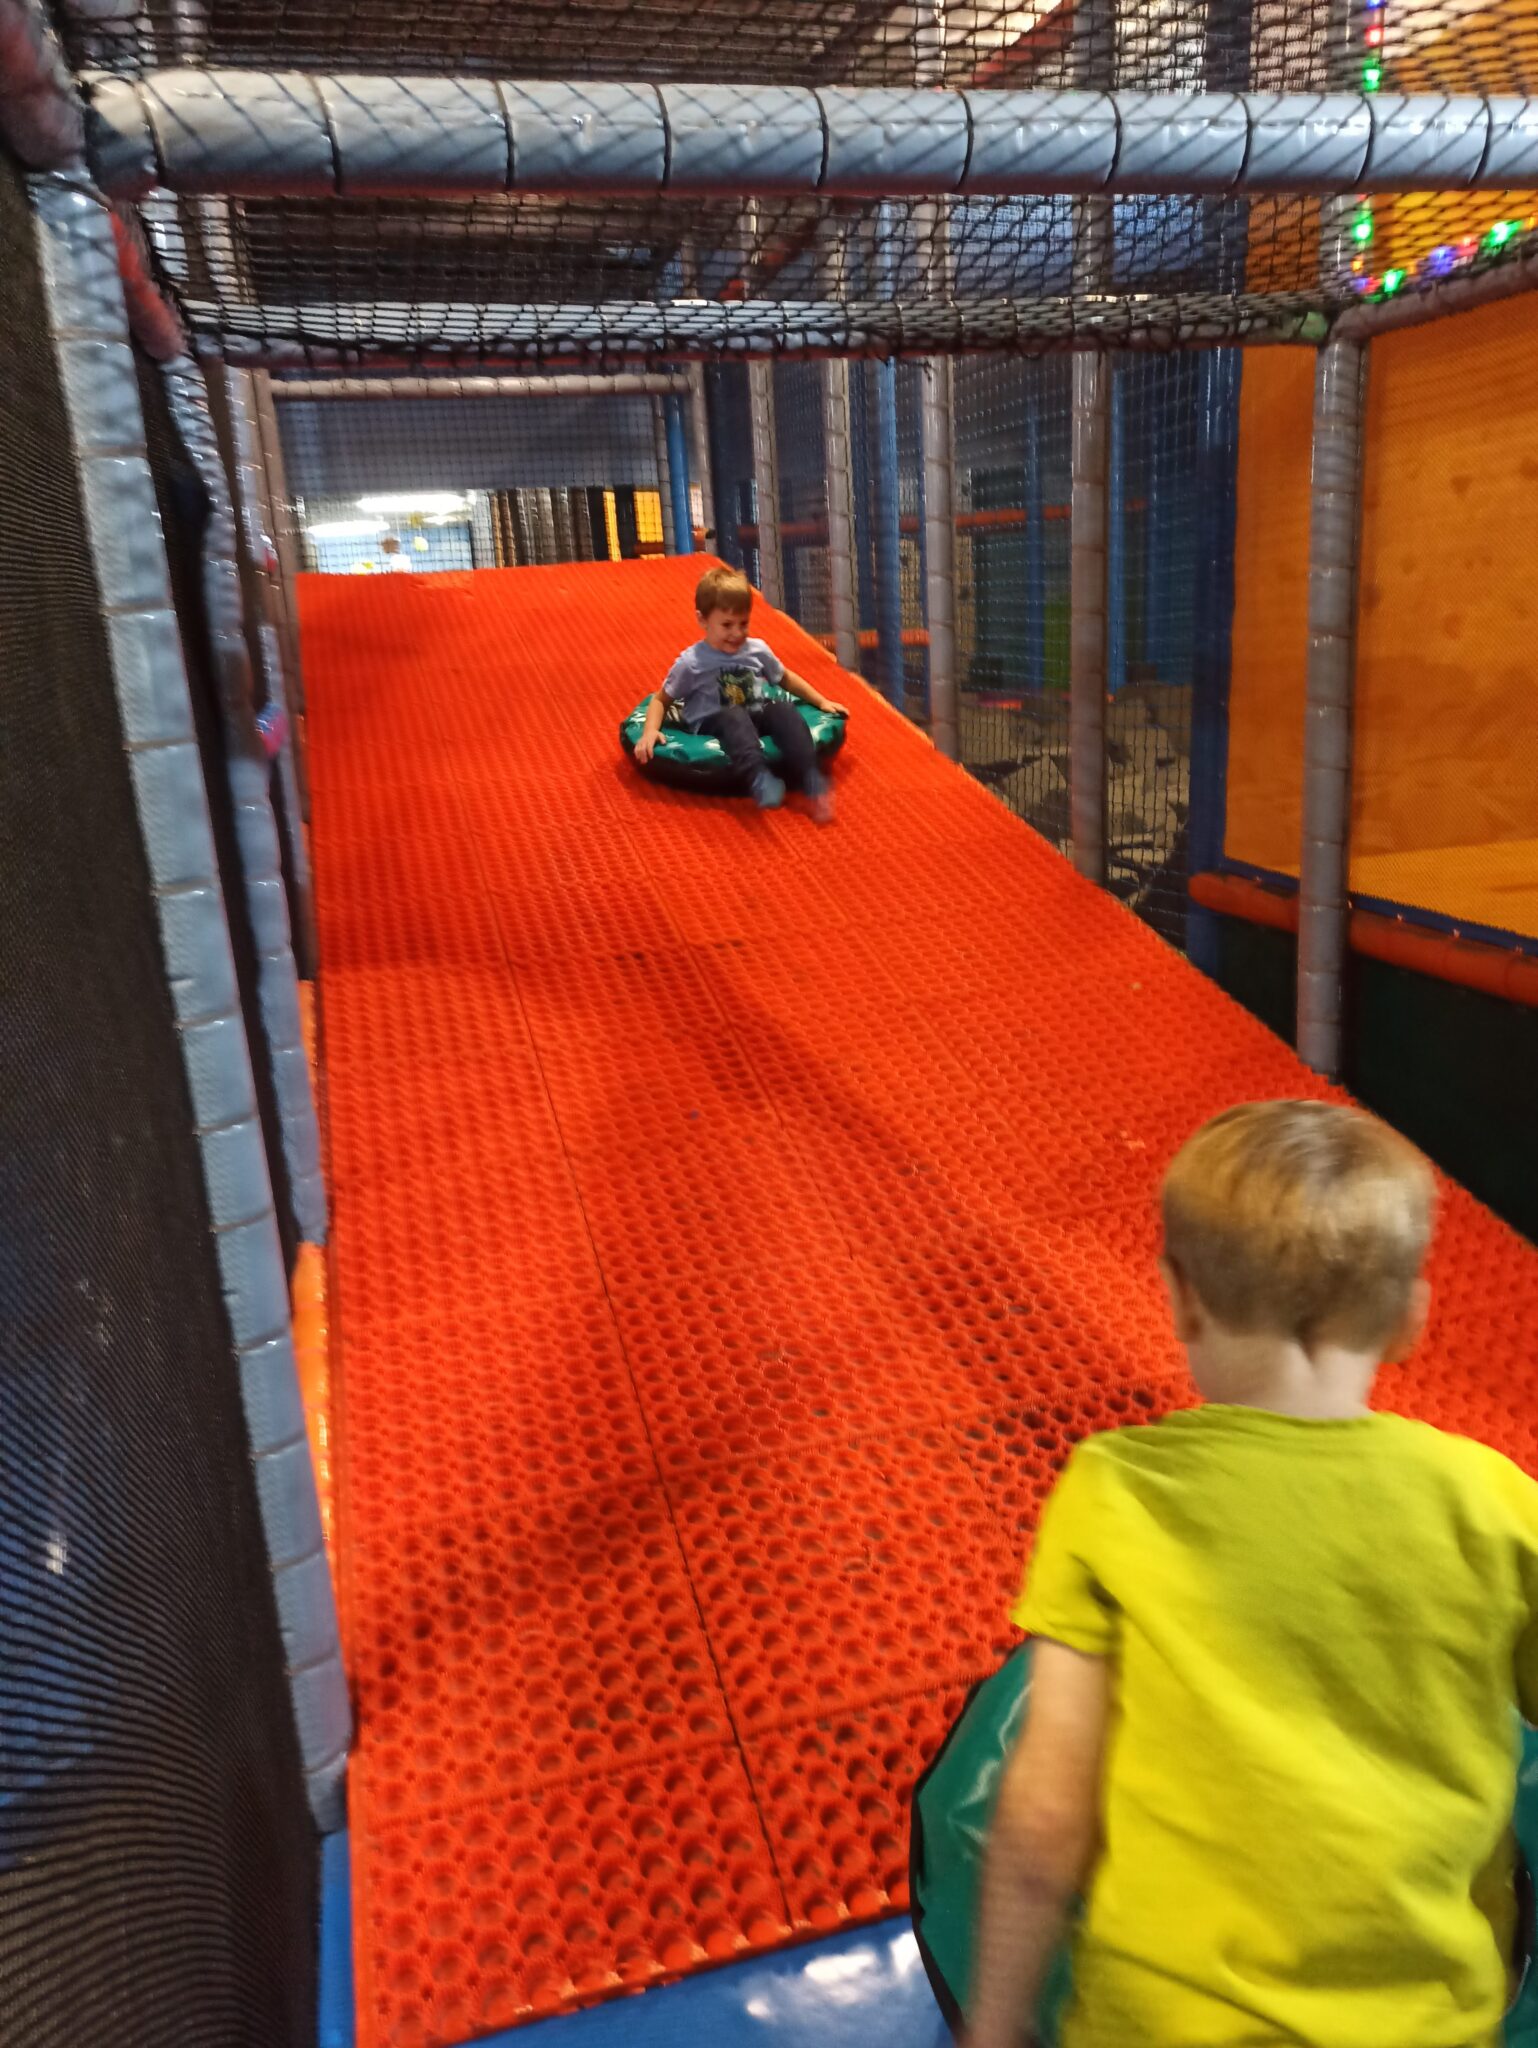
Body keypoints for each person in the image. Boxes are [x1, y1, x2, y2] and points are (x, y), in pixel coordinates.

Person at [967, 1099, 1538, 2048]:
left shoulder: (1115, 1492)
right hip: (1426, 2023)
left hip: (1159, 2025)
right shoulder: (1498, 1504)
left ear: (1180, 1298)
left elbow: (1046, 1809)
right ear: (1410, 1320)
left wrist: (992, 2027)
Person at [634, 566, 848, 820]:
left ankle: (809, 773)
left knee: (781, 709)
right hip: (712, 720)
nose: (737, 633)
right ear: (703, 620)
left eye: (743, 623)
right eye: (727, 625)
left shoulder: (756, 650)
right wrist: (650, 731)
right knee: (733, 714)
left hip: (752, 712)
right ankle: (759, 778)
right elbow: (661, 699)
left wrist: (821, 701)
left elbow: (785, 678)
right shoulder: (692, 662)